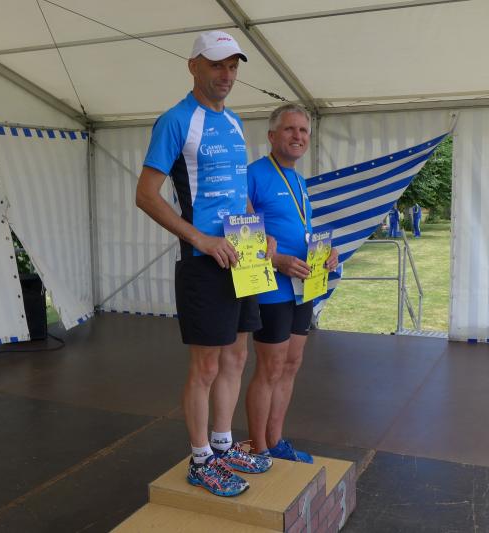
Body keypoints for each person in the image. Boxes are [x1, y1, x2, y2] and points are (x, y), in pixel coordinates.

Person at [135, 30, 273, 497]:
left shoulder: (234, 121)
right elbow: (146, 195)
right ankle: (200, 460)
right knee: (206, 368)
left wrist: (256, 231)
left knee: (237, 356)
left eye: (232, 66)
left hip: (243, 256)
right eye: (216, 65)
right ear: (193, 65)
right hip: (203, 261)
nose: (226, 75)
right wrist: (201, 239)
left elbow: (237, 190)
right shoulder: (176, 121)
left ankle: (222, 445)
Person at [245, 104, 339, 463]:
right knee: (270, 368)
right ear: (272, 136)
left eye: (303, 130)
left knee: (291, 364)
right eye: (289, 129)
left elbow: (302, 230)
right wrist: (277, 260)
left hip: (303, 285)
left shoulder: (299, 181)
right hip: (271, 287)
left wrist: (326, 252)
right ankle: (259, 448)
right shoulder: (254, 175)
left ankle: (276, 440)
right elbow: (239, 232)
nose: (298, 136)